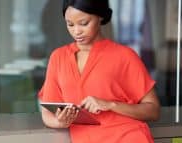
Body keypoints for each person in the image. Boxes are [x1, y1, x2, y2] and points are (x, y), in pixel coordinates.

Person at [38, 0, 160, 143]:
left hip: (129, 137)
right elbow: (47, 111)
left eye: (84, 23)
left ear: (100, 17)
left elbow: (153, 110)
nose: (76, 31)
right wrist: (60, 123)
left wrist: (110, 104)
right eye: (70, 24)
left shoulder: (124, 56)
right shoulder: (58, 57)